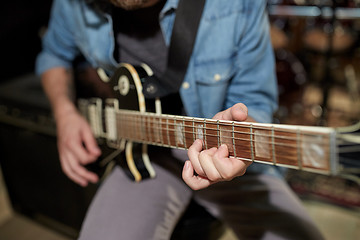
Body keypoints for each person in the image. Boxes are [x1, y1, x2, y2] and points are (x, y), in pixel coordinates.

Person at [36, 0, 325, 239]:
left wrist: (244, 125)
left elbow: (257, 100)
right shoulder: (72, 4)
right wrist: (64, 112)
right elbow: (53, 55)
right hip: (140, 157)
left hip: (223, 151)